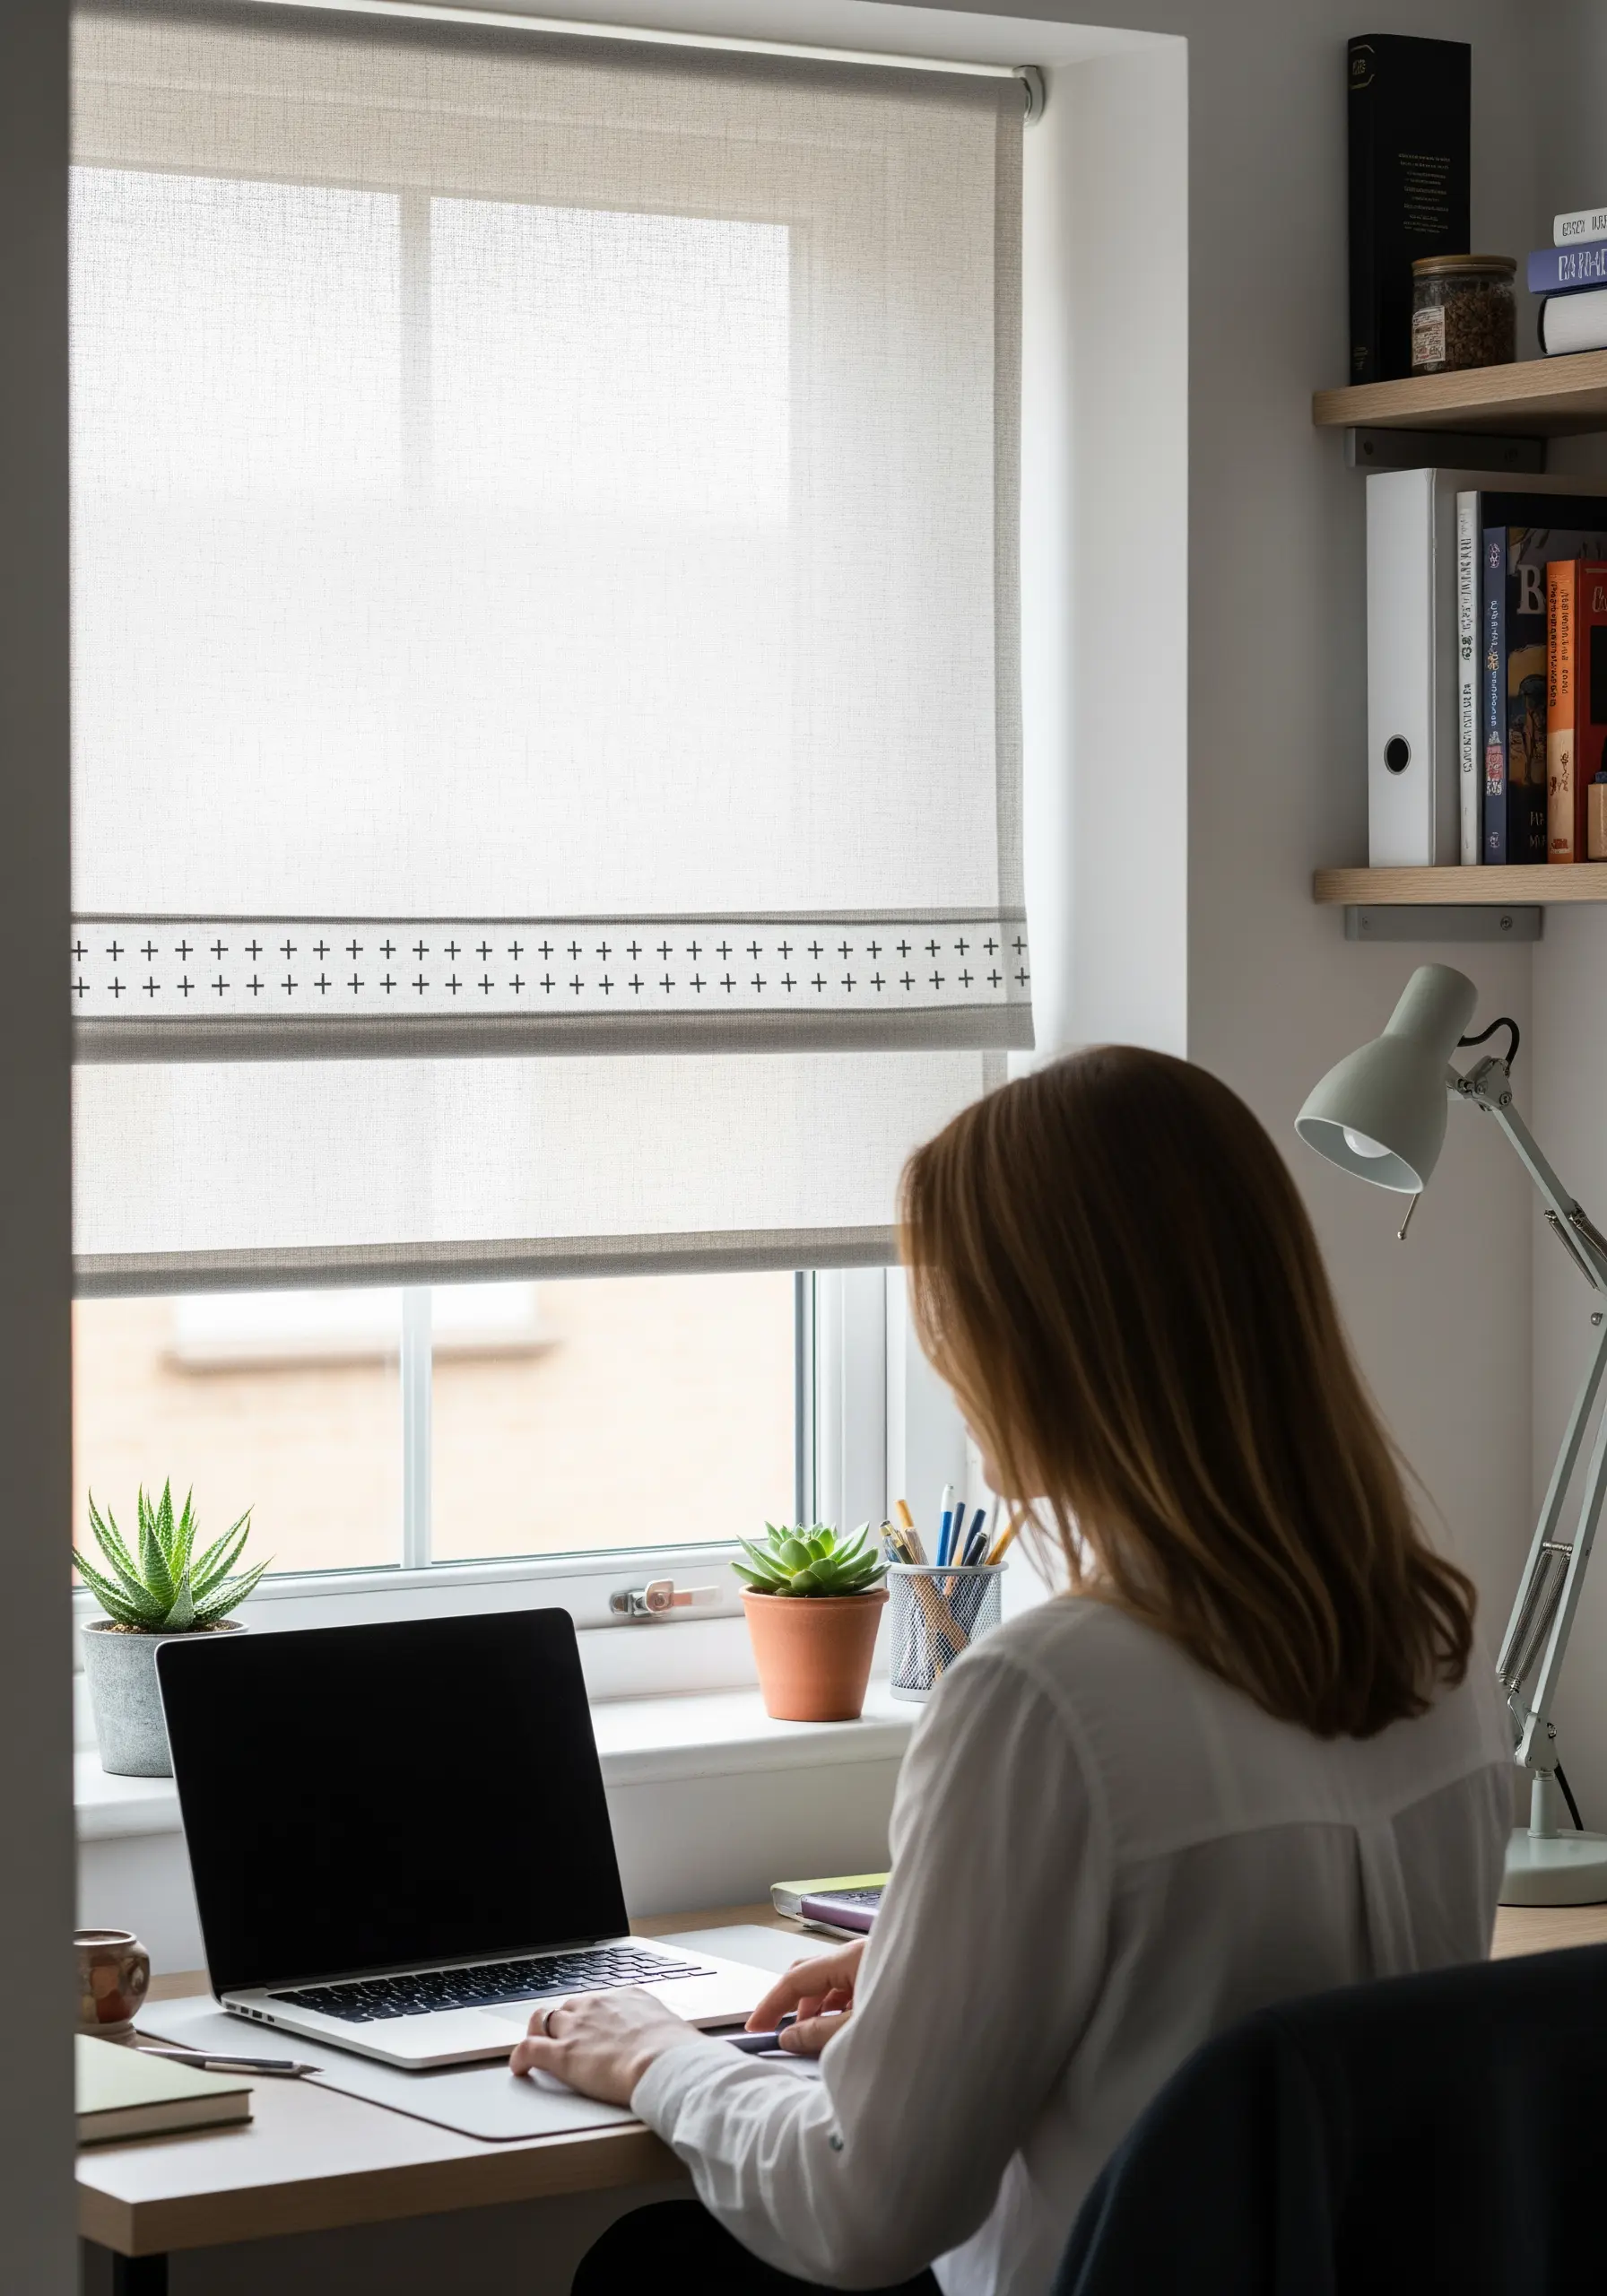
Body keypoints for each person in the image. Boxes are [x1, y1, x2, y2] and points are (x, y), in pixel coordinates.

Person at [516, 1048, 1513, 2296]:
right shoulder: (1440, 1644)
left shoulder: (1046, 1698)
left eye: (961, 1311)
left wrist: (653, 2052)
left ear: (1046, 1341)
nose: (946, 1356)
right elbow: (1254, 1989)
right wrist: (935, 1969)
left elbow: (859, 2210)